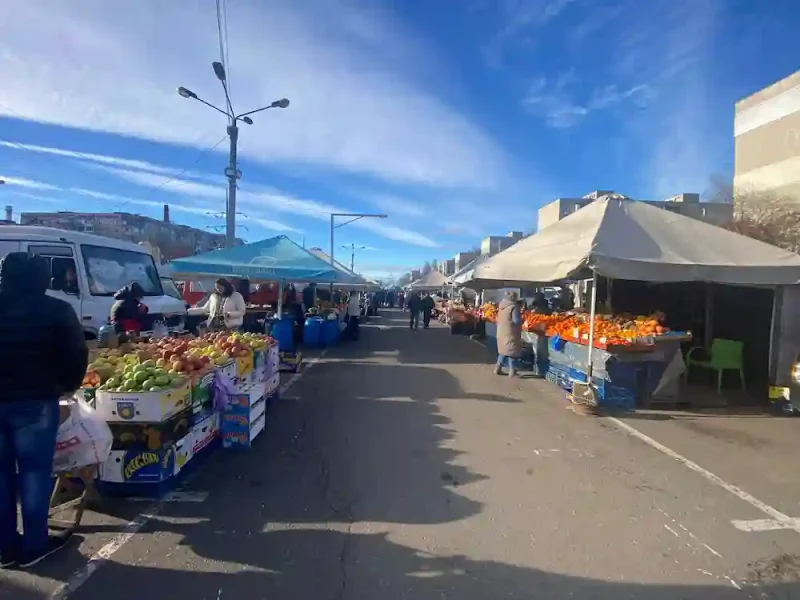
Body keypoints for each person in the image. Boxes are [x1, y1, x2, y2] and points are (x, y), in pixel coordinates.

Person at [0, 253, 88, 567]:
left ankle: (5, 546)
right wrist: (66, 385)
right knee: (34, 473)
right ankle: (35, 545)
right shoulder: (56, 310)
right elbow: (76, 354)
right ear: (42, 279)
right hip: (34, 402)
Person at [495, 291, 523, 377]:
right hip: (511, 332)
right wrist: (523, 320)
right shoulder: (514, 307)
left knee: (504, 350)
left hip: (501, 330)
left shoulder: (502, 305)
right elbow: (516, 320)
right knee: (512, 352)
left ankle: (497, 368)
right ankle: (512, 372)